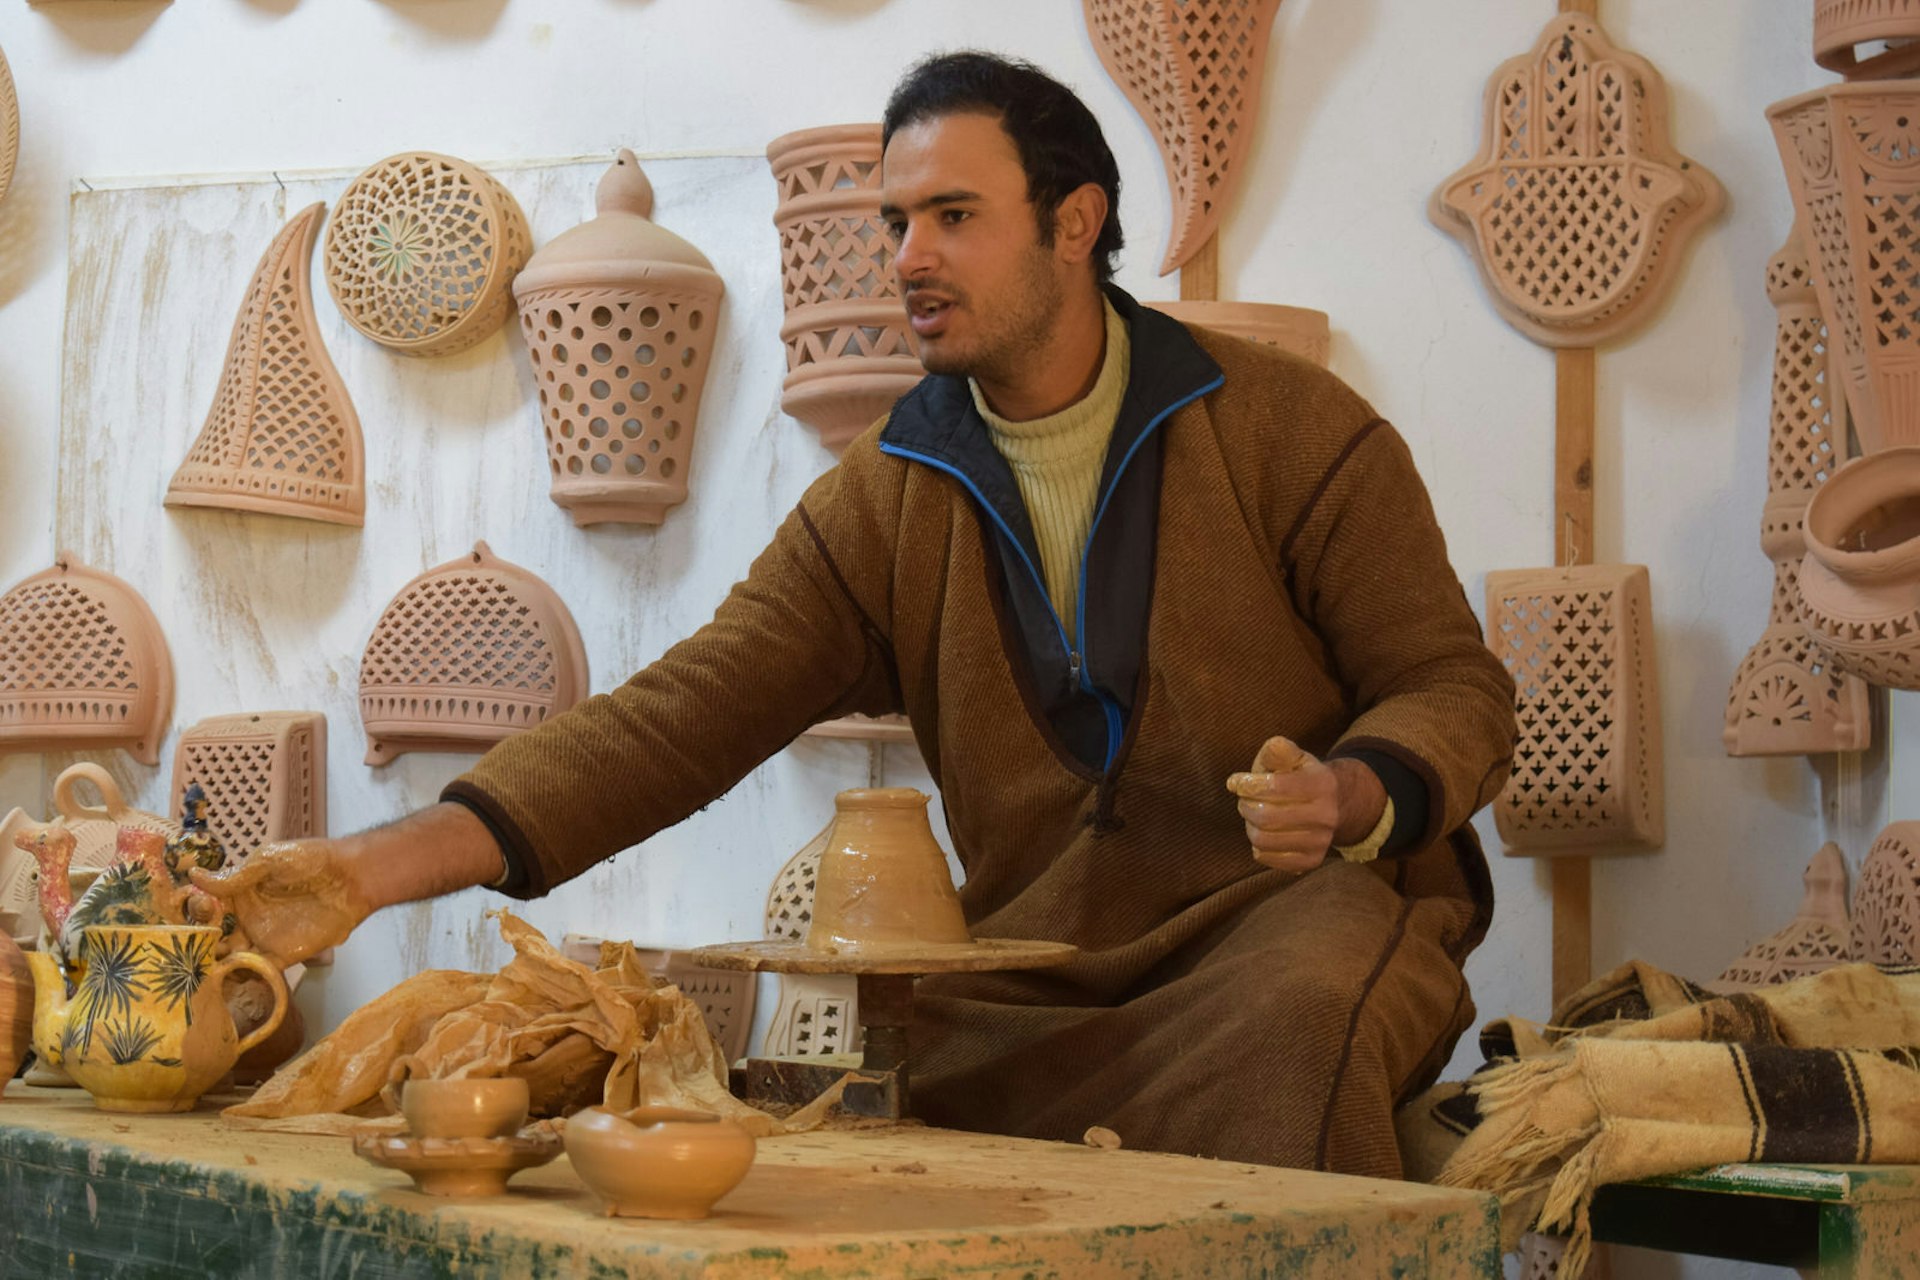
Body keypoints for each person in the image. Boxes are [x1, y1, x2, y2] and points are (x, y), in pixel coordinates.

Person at [195, 51, 1515, 1180]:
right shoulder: (886, 494)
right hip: (1034, 976)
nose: (908, 257)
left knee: (1298, 1025)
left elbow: (1454, 686)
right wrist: (364, 871)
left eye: (952, 215)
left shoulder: (1287, 427)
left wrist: (1351, 794)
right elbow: (679, 718)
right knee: (906, 1115)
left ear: (1075, 223)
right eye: (897, 221)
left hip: (1286, 929)